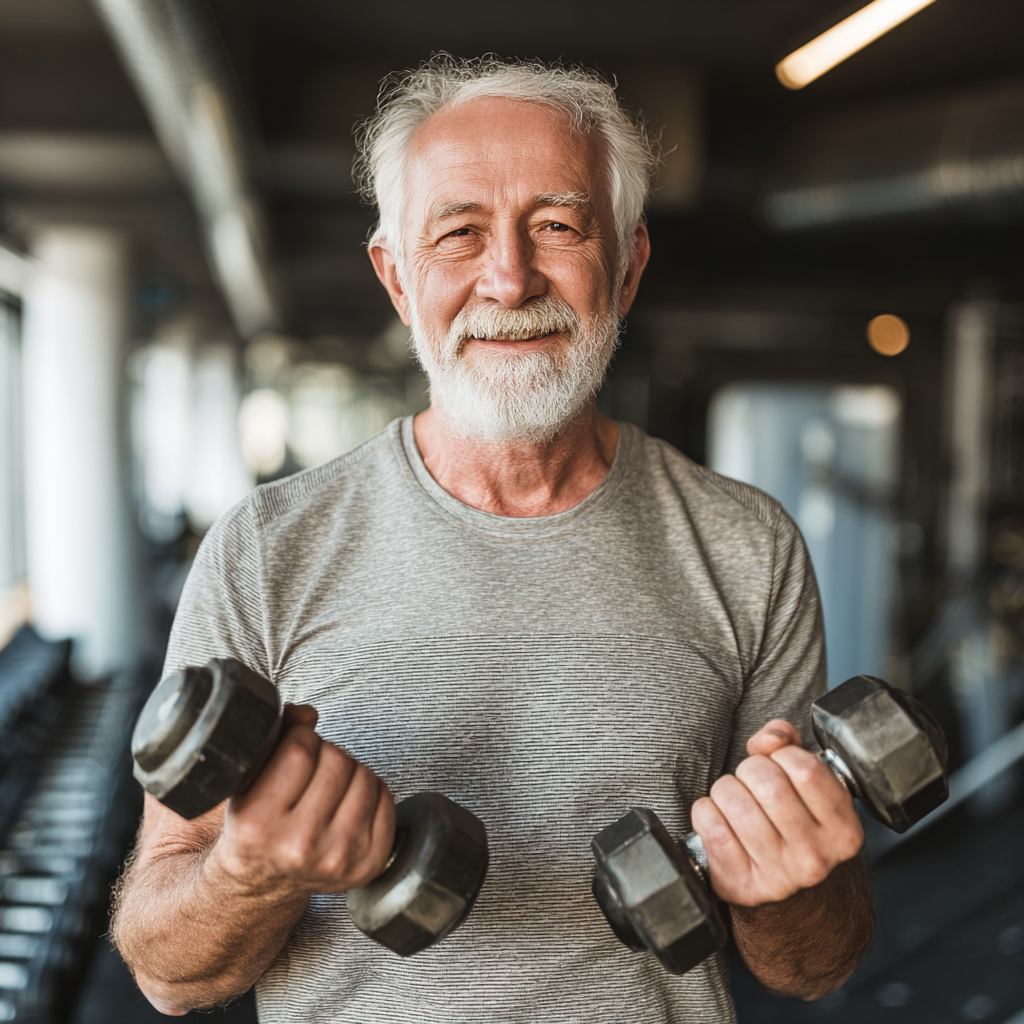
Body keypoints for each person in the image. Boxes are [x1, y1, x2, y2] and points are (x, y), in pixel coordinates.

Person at [111, 55, 874, 1023]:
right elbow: (168, 971)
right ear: (395, 276)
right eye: (459, 235)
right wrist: (252, 873)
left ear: (628, 266)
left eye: (556, 226)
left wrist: (794, 881)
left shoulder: (744, 545)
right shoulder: (269, 547)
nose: (508, 280)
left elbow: (814, 961)